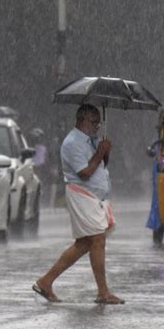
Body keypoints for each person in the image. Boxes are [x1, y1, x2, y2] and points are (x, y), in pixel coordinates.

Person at [32, 103, 124, 304]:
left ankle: (46, 281)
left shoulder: (91, 140)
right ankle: (103, 291)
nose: (97, 126)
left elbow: (98, 164)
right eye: (93, 122)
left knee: (85, 243)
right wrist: (100, 153)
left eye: (99, 123)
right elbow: (84, 172)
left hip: (94, 197)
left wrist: (104, 152)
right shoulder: (72, 142)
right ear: (81, 120)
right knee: (97, 239)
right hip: (83, 194)